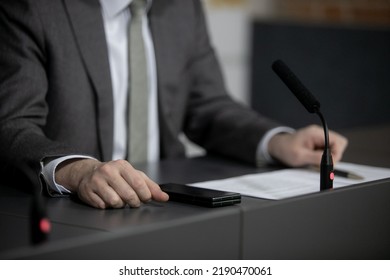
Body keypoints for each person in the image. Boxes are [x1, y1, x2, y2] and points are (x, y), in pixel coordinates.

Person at [0, 0, 348, 209]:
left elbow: (208, 105)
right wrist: (76, 170)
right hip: (72, 213)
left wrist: (275, 141)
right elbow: (13, 123)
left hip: (167, 203)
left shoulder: (181, 7)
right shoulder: (35, 7)